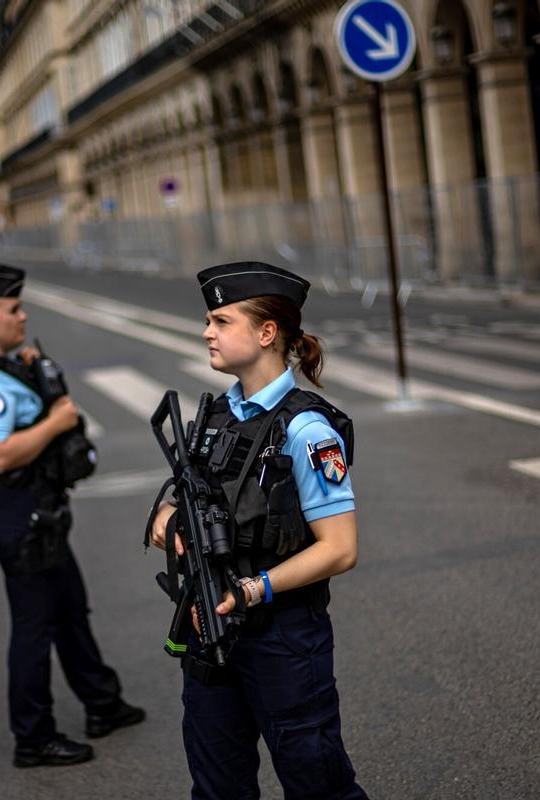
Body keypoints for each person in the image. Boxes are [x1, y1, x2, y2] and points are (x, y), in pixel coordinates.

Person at [148, 261, 370, 799]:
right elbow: (174, 508)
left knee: (318, 785)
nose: (207, 332)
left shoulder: (306, 430)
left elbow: (340, 550)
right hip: (208, 627)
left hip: (282, 638)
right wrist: (172, 527)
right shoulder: (218, 414)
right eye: (209, 321)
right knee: (217, 788)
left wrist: (252, 589)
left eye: (221, 321)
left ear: (266, 333)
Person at [0, 262, 144, 768]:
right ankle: (32, 737)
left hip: (36, 509)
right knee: (34, 626)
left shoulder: (0, 364)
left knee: (70, 606)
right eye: (13, 310)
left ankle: (102, 703)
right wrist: (56, 422)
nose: (23, 316)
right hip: (14, 511)